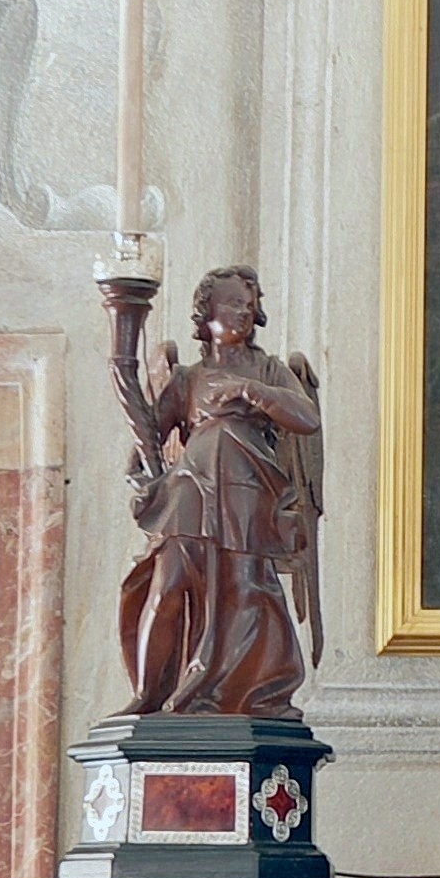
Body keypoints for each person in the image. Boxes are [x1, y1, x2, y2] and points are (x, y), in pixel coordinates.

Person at [114, 268, 326, 721]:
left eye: (249, 305)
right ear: (205, 311)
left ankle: (244, 692)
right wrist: (143, 481)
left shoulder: (267, 370)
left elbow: (306, 418)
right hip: (191, 487)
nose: (243, 312)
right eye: (232, 303)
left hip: (249, 490)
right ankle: (148, 696)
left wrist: (252, 391)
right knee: (168, 585)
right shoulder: (189, 378)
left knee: (245, 589)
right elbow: (146, 442)